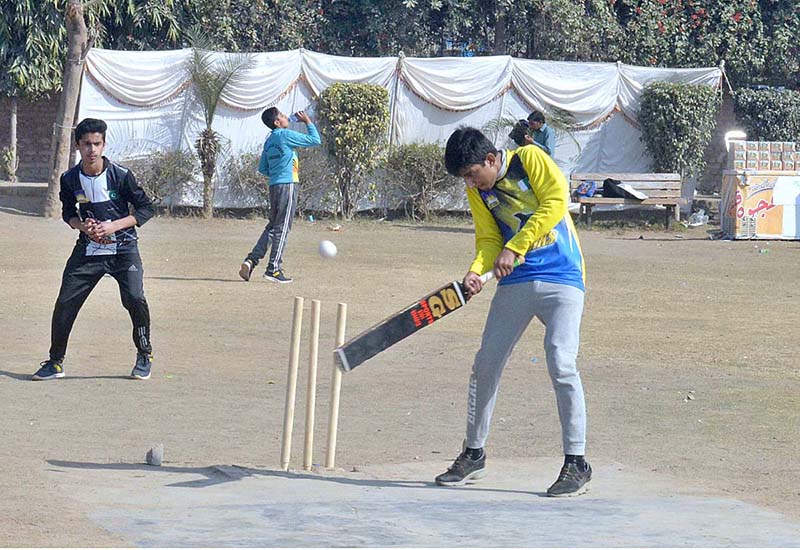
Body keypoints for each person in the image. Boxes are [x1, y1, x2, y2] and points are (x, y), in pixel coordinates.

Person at [438, 127, 590, 497]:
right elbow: (489, 238)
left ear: (491, 159)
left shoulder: (530, 158)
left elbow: (555, 202)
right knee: (486, 362)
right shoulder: (478, 191)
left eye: (473, 174)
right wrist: (476, 270)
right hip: (514, 283)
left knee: (561, 360)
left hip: (563, 275)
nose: (471, 184)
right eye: (465, 179)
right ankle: (474, 453)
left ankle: (577, 463)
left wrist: (516, 246)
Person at [32, 118, 156, 381]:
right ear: (78, 145)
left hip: (123, 249)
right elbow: (68, 213)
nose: (92, 150)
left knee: (134, 298)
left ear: (104, 144)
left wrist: (113, 227)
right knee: (65, 302)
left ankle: (144, 354)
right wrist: (83, 227)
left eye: (97, 144)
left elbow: (146, 209)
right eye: (86, 144)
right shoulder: (69, 179)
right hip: (88, 251)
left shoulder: (121, 176)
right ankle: (55, 363)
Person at [239, 107, 321, 283]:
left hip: (274, 185)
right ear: (277, 122)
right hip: (288, 184)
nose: (286, 118)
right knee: (283, 228)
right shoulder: (284, 134)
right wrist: (307, 121)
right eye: (283, 116)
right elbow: (315, 140)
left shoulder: (269, 141)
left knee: (273, 227)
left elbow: (263, 168)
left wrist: (278, 170)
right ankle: (273, 270)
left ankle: (251, 260)